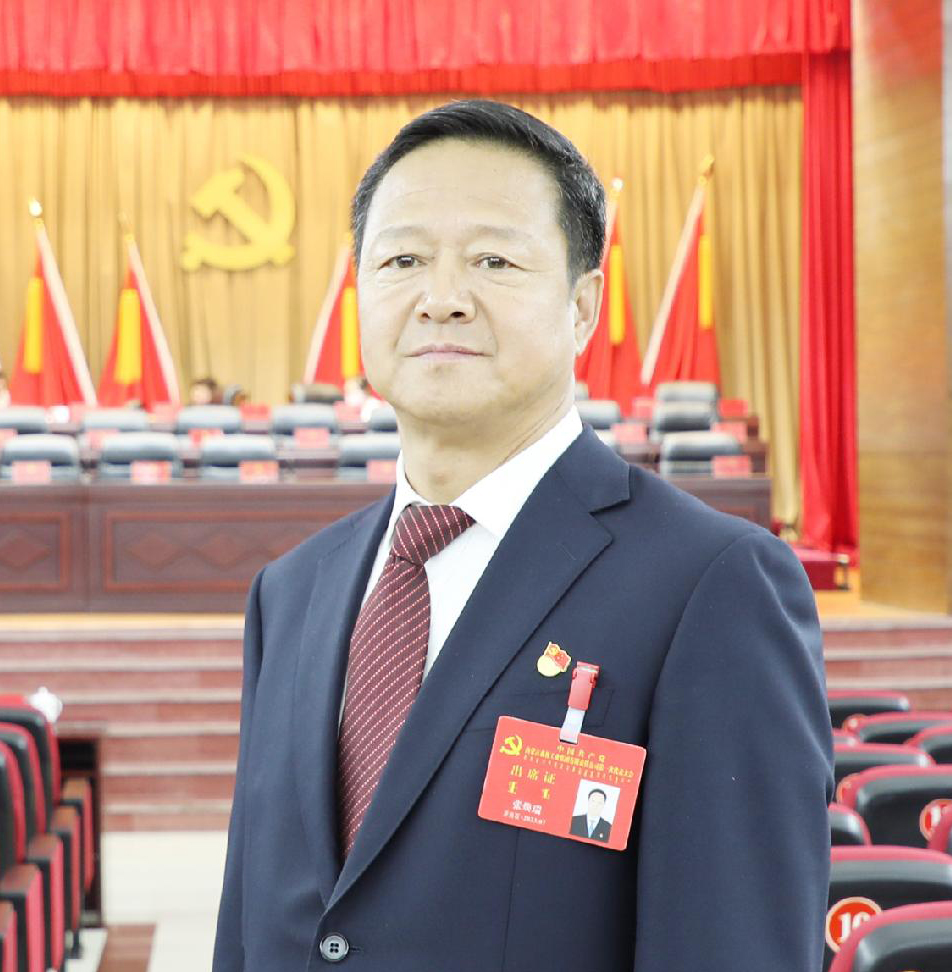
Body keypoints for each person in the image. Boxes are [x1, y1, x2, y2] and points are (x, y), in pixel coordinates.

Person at [213, 100, 833, 971]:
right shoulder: (292, 592)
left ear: (583, 306)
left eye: (493, 261)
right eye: (402, 261)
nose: (441, 300)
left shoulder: (710, 584)